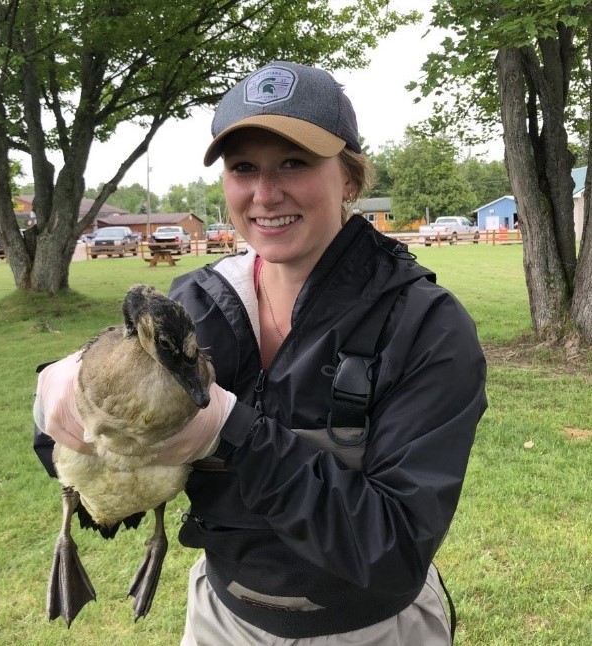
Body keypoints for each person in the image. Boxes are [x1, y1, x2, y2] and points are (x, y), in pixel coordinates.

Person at [34, 61, 487, 645]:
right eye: (243, 167)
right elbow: (75, 448)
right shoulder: (195, 302)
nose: (265, 194)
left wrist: (232, 432)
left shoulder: (427, 327)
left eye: (293, 163)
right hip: (222, 622)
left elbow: (394, 547)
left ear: (349, 178)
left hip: (374, 628)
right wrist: (58, 404)